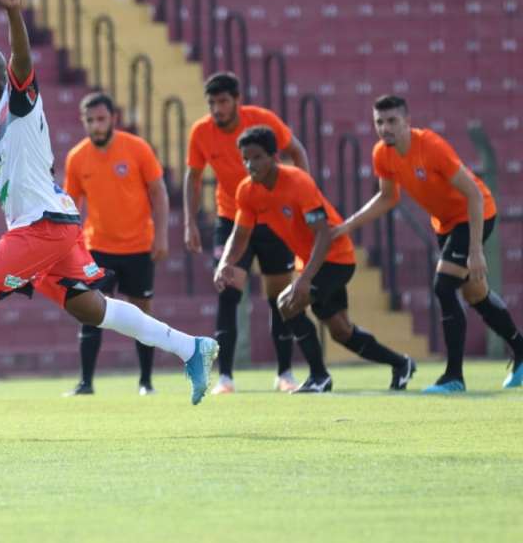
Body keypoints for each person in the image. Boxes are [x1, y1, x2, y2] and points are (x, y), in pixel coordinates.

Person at [0, 0, 218, 433]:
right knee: (91, 309)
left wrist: (14, 14)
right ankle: (193, 349)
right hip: (51, 226)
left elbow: (21, 60)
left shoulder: (19, 102)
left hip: (42, 226)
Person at [333, 95, 523, 392]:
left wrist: (475, 251)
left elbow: (473, 193)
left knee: (444, 286)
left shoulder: (432, 147)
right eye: (379, 122)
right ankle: (521, 350)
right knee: (475, 294)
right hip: (445, 223)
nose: (385, 128)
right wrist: (348, 224)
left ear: (408, 122)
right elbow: (387, 197)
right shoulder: (382, 154)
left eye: (392, 121)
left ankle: (454, 377)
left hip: (476, 214)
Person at [215, 126, 417, 393]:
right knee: (341, 331)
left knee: (287, 304)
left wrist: (305, 279)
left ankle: (319, 376)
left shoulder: (298, 183)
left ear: (274, 156)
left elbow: (323, 234)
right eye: (246, 159)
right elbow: (240, 234)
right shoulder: (247, 191)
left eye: (257, 157)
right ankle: (401, 363)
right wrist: (225, 262)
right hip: (314, 262)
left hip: (336, 258)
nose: (251, 164)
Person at [184, 73, 310, 394]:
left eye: (223, 101)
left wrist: (301, 199)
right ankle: (225, 377)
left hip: (273, 219)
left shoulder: (262, 122)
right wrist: (190, 221)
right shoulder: (201, 132)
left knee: (278, 297)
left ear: (237, 100)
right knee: (228, 292)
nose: (217, 108)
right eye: (211, 102)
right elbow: (193, 177)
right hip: (233, 219)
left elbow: (297, 151)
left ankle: (285, 373)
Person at [62, 92, 170, 396]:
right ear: (83, 122)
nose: (97, 126)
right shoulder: (77, 157)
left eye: (102, 119)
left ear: (114, 119)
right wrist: (71, 247)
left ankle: (146, 382)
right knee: (90, 311)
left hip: (138, 247)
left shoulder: (137, 149)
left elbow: (159, 191)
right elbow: (71, 205)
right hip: (98, 248)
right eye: (91, 120)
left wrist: (161, 235)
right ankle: (86, 383)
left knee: (142, 313)